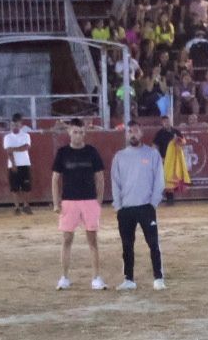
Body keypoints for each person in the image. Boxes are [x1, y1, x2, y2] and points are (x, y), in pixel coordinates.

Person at [110, 120, 166, 290]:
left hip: (146, 206)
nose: (132, 134)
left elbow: (159, 181)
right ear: (126, 134)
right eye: (129, 131)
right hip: (126, 208)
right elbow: (115, 183)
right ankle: (129, 279)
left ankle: (158, 277)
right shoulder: (119, 157)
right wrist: (118, 207)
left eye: (135, 131)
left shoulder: (152, 154)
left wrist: (153, 203)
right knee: (127, 245)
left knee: (153, 243)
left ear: (141, 133)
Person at [51, 118, 106, 290]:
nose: (78, 135)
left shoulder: (91, 151)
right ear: (69, 133)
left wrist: (99, 200)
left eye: (81, 132)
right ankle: (64, 277)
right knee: (67, 239)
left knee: (92, 240)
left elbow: (100, 177)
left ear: (85, 133)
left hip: (89, 200)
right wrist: (56, 202)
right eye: (75, 132)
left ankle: (96, 277)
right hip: (69, 201)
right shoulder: (62, 152)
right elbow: (55, 178)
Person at [3, 112, 34, 214]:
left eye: (16, 125)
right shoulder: (7, 137)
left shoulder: (26, 135)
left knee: (26, 187)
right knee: (14, 188)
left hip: (24, 163)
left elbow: (26, 147)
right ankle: (17, 207)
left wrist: (14, 149)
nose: (14, 127)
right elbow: (9, 152)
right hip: (14, 164)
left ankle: (25, 205)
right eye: (13, 125)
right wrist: (14, 164)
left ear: (20, 125)